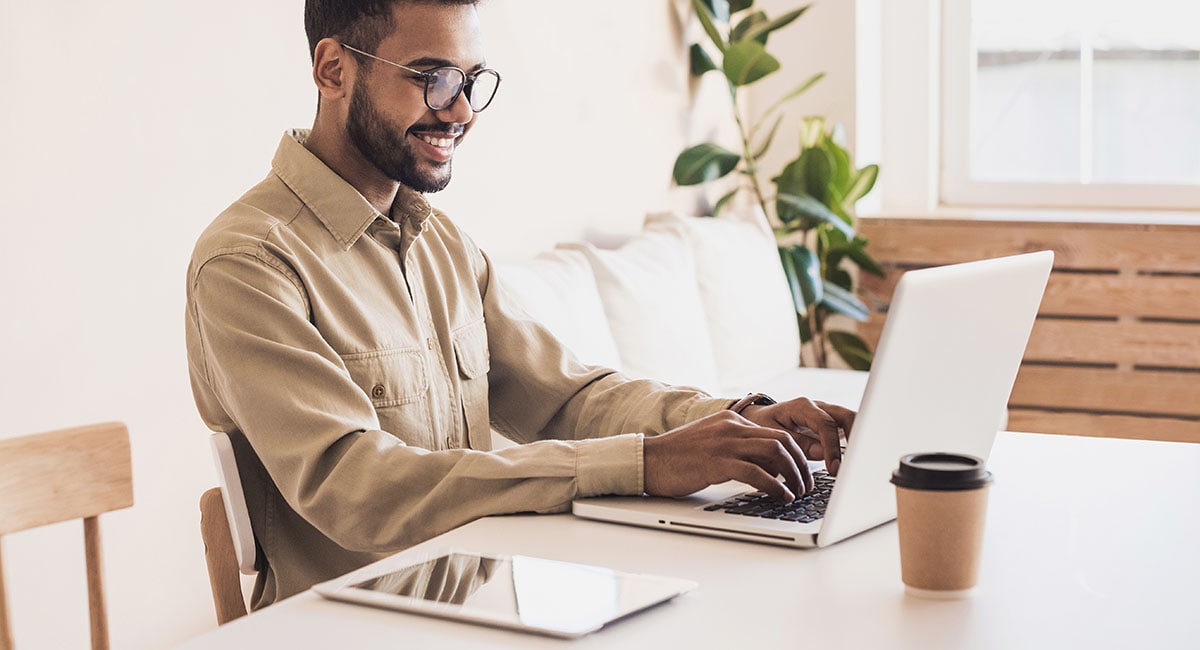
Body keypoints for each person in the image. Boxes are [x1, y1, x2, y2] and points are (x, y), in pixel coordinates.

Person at [185, 0, 855, 608]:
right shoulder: (248, 264)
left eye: (472, 81)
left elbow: (567, 397)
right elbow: (357, 486)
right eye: (433, 78)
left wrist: (739, 423)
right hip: (350, 629)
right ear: (333, 70)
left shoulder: (441, 244)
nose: (462, 111)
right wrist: (646, 464)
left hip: (483, 615)